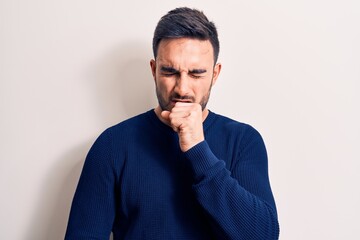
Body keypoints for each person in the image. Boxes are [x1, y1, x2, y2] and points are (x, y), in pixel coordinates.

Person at [65, 7, 279, 240]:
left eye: (196, 74)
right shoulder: (113, 145)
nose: (182, 88)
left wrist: (198, 150)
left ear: (215, 75)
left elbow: (263, 236)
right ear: (154, 69)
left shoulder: (243, 141)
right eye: (169, 72)